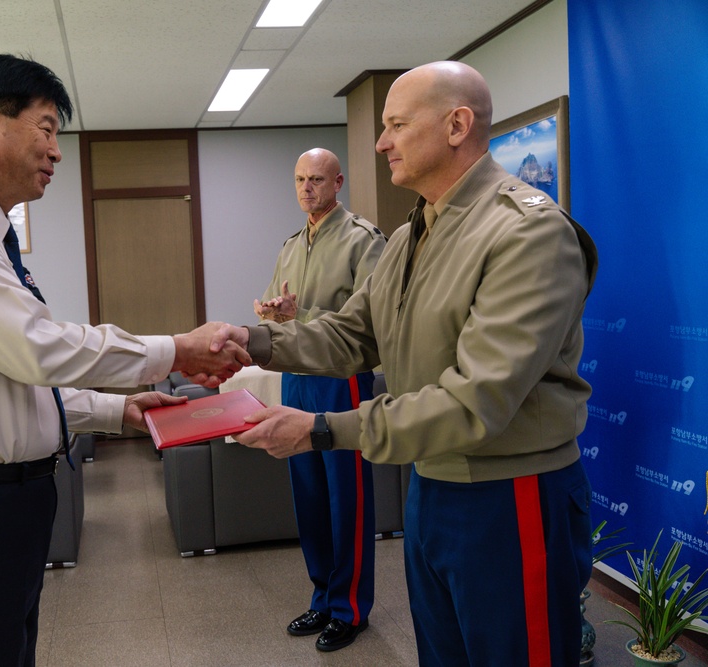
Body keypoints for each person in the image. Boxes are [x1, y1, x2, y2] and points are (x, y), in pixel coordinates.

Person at [200, 61, 599, 666]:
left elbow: (475, 402)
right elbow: (354, 334)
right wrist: (251, 341)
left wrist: (323, 430)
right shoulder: (416, 233)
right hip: (431, 485)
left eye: (396, 125)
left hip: (509, 494)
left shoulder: (526, 233)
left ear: (458, 125)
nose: (381, 142)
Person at [0, 53, 248, 667]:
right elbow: (32, 345)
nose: (57, 152)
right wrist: (175, 349)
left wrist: (117, 412)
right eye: (45, 129)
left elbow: (7, 373)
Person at [255, 148, 385, 652]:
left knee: (344, 496)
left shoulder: (362, 239)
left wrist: (300, 313)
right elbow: (276, 310)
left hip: (341, 379)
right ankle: (323, 595)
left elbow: (366, 317)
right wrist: (273, 311)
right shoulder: (291, 244)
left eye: (316, 179)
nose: (306, 188)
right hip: (296, 376)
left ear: (338, 182)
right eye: (299, 179)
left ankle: (351, 607)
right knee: (307, 494)